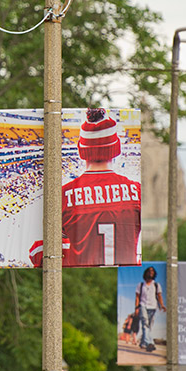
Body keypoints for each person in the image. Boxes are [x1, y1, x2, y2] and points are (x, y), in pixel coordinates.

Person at [59, 108, 142, 267]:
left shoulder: (63, 195)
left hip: (82, 278)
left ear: (82, 150)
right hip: (124, 277)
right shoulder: (136, 191)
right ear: (115, 149)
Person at [135, 265, 166, 352]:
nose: (151, 273)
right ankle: (150, 343)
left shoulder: (156, 285)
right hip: (143, 305)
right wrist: (136, 307)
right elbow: (137, 297)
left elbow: (159, 296)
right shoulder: (140, 285)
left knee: (148, 326)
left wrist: (162, 305)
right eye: (149, 271)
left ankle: (143, 343)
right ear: (146, 273)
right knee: (145, 323)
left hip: (153, 306)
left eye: (152, 271)